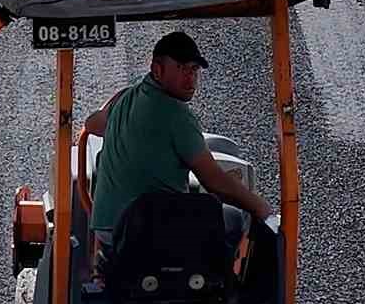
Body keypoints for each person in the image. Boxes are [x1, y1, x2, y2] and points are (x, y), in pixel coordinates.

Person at [81, 31, 275, 250]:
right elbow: (214, 181)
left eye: (194, 70)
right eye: (182, 69)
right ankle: (213, 284)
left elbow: (92, 124)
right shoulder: (176, 115)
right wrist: (261, 208)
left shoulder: (126, 98)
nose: (190, 79)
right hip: (148, 229)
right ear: (157, 69)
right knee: (232, 220)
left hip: (106, 228)